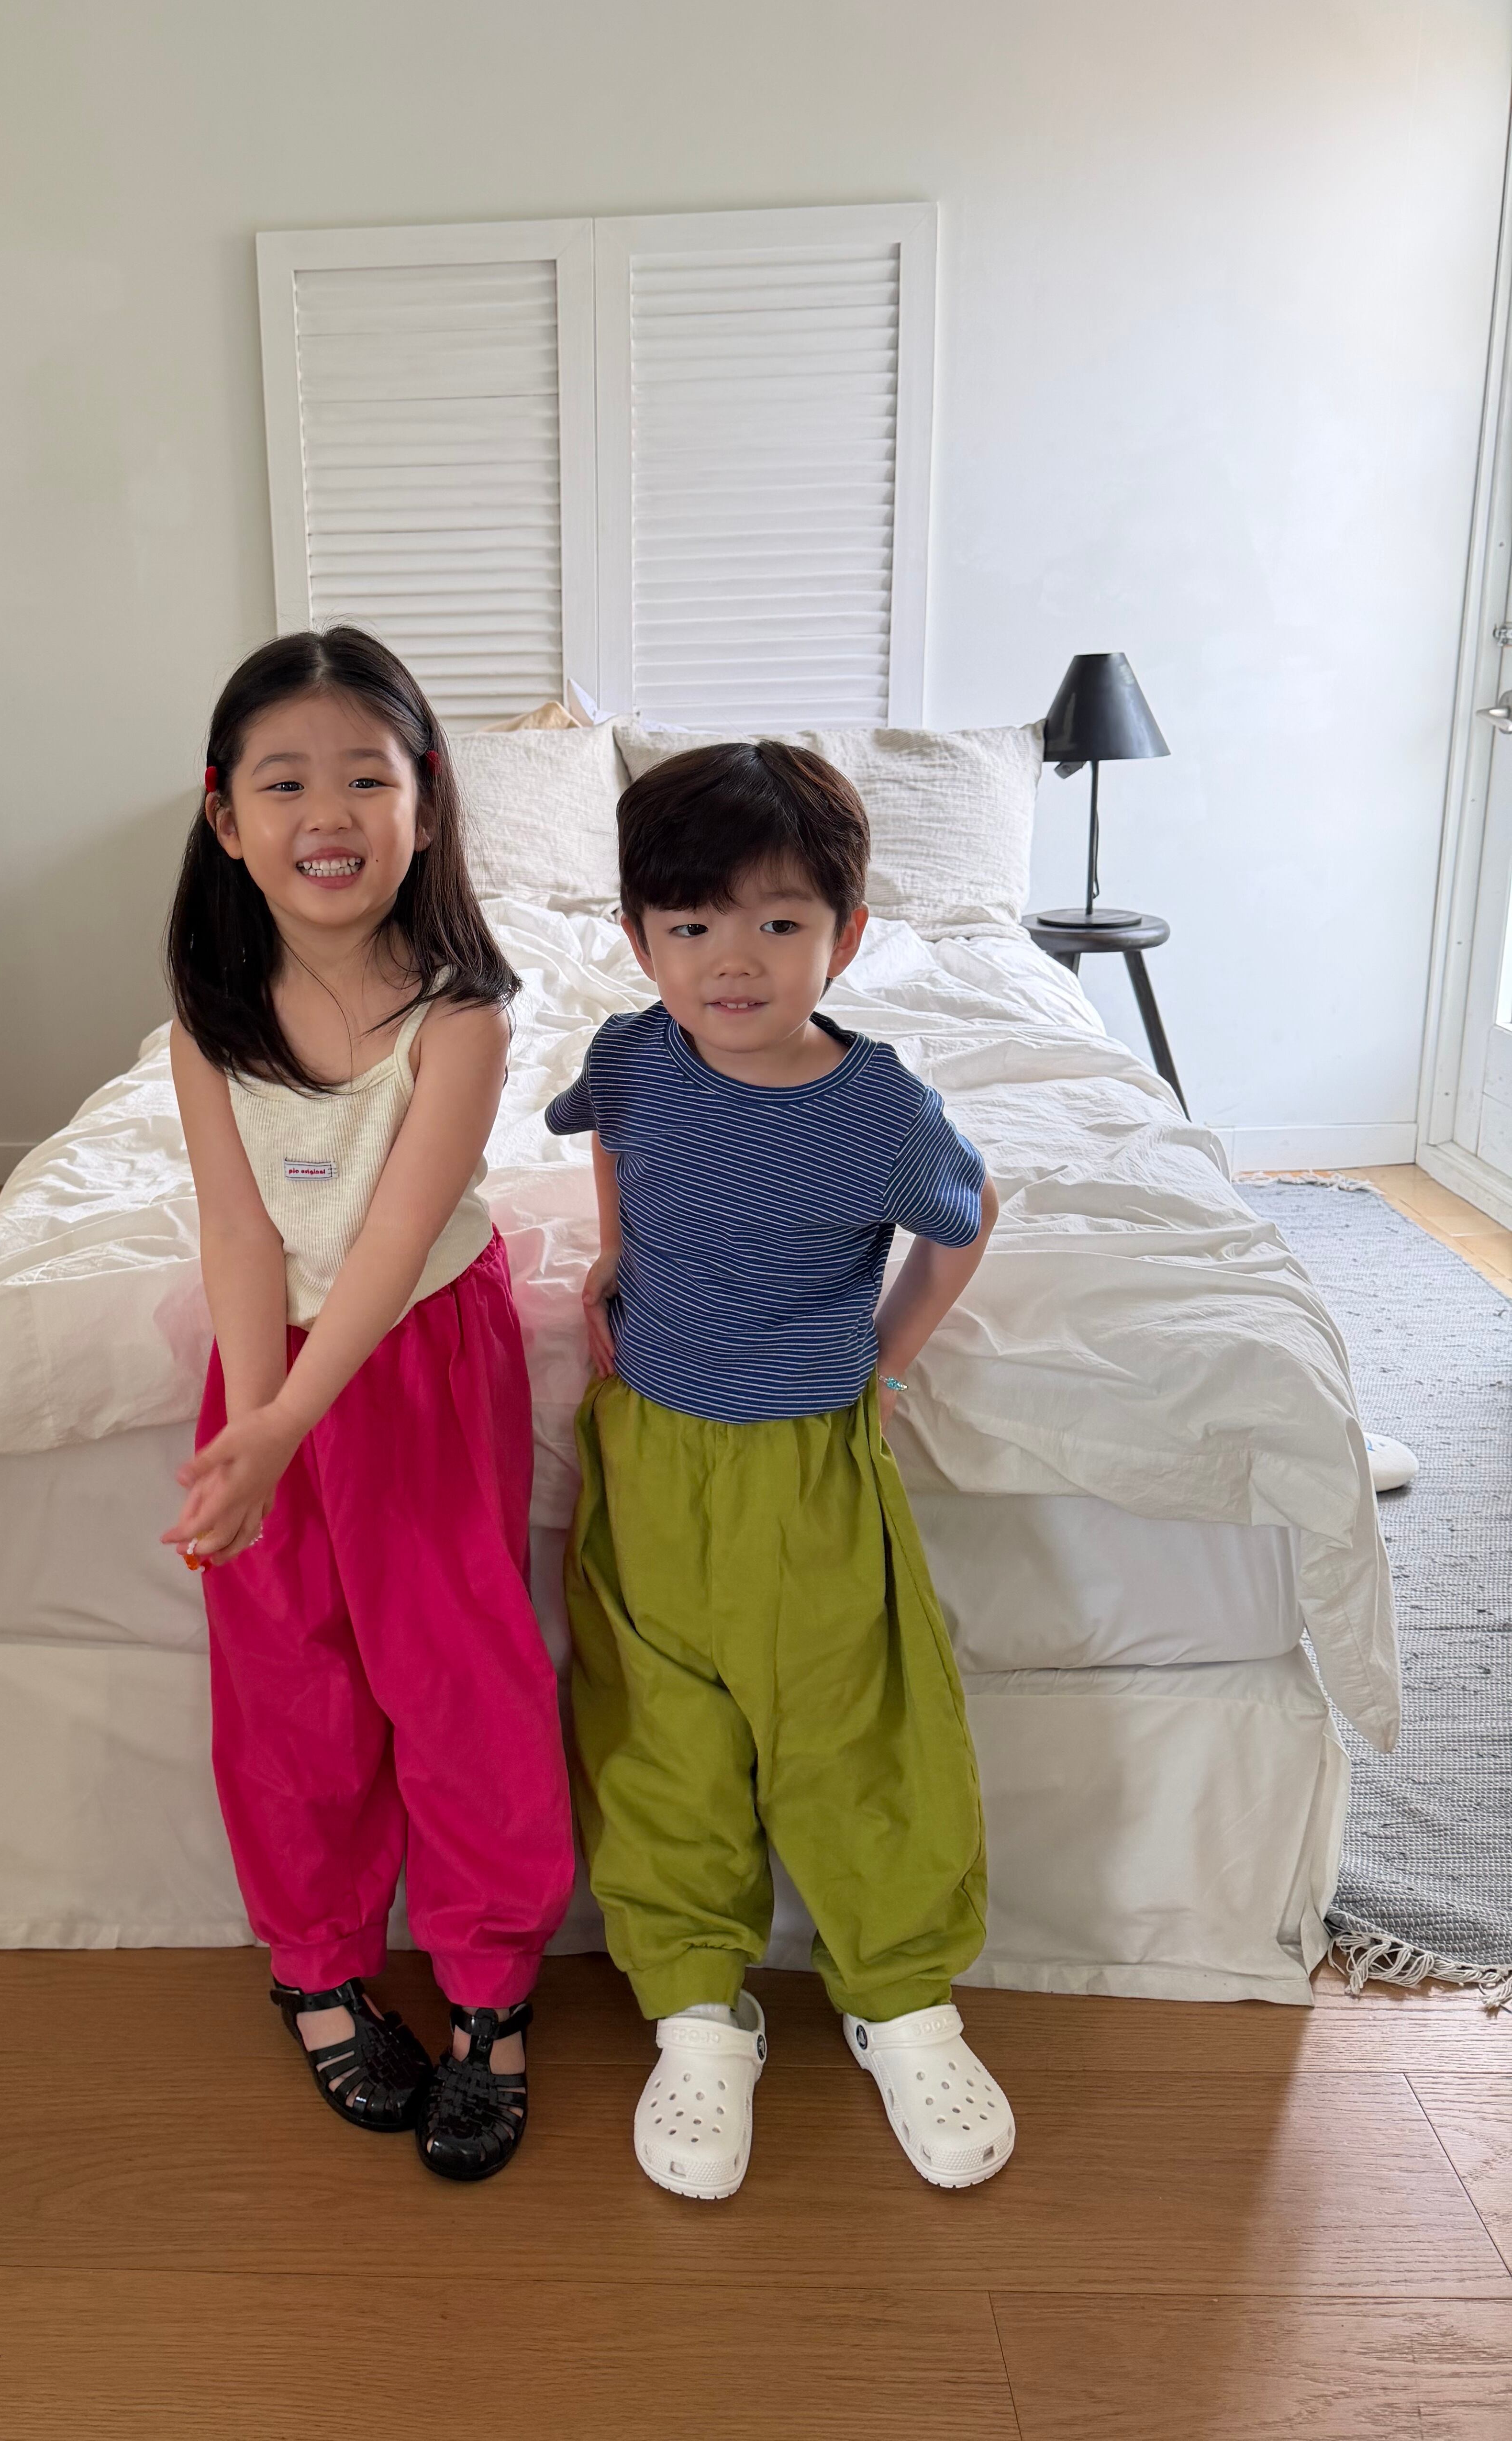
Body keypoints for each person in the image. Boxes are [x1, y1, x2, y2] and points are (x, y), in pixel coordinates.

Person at [546, 738, 1012, 2199]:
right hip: (649, 1450)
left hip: (807, 1461)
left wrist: (889, 1357)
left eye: (776, 921)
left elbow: (965, 1219)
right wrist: (612, 1253)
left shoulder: (877, 1111)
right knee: (659, 1730)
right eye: (690, 925)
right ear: (639, 940)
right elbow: (610, 1137)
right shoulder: (631, 1056)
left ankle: (901, 1997)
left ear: (843, 936)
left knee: (851, 1718)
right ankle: (697, 2009)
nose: (730, 961)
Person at [163, 625, 573, 2183]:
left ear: (427, 800)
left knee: (457, 1671)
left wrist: (286, 1428)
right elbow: (236, 1231)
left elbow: (394, 1241)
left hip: (416, 1361)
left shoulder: (460, 1013)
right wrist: (254, 1426)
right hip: (264, 1364)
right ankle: (317, 1966)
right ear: (225, 817)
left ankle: (488, 1990)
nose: (324, 815)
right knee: (285, 1675)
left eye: (364, 779)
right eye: (283, 783)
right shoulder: (210, 1011)